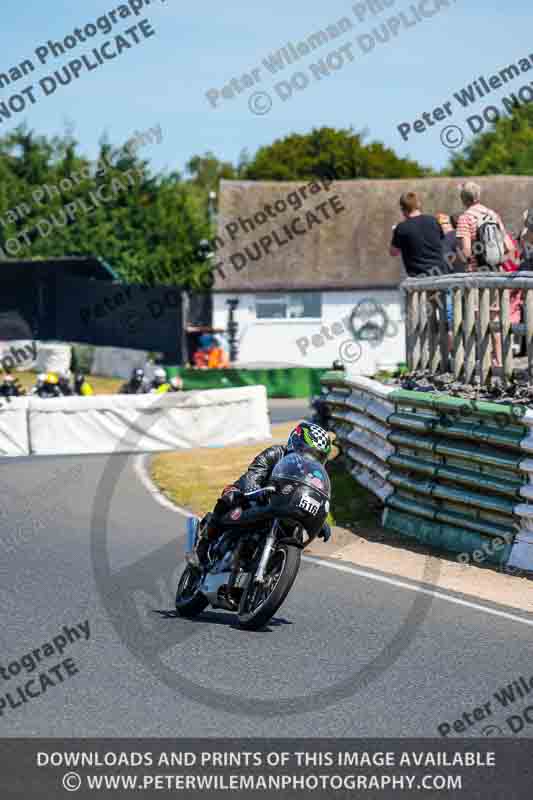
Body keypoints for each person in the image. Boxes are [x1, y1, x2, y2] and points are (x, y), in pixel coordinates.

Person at [195, 421, 333, 566]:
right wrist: (253, 489)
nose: (311, 458)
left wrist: (319, 519)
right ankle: (203, 545)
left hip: (280, 506)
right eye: (308, 451)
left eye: (319, 456)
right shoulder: (276, 453)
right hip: (255, 495)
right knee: (230, 495)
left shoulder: (313, 474)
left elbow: (305, 493)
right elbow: (254, 473)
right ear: (295, 443)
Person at [389, 192, 447, 278]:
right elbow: (442, 242)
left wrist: (396, 233)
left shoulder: (401, 228)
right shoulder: (433, 221)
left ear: (402, 209)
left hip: (418, 277)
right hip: (440, 273)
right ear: (418, 205)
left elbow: (393, 252)